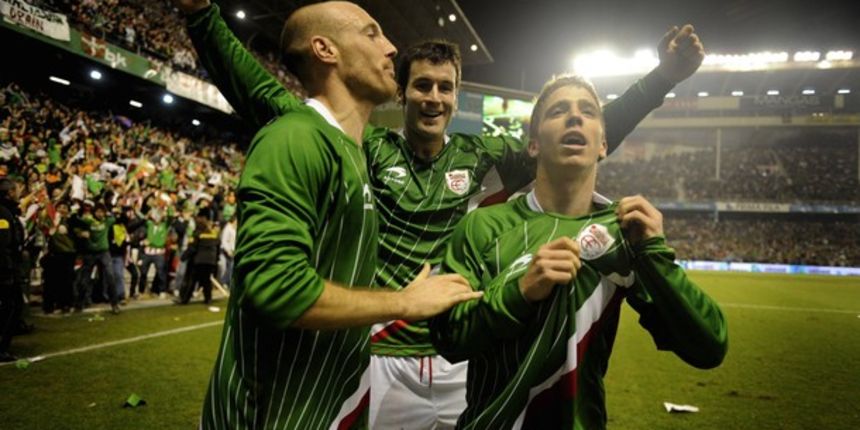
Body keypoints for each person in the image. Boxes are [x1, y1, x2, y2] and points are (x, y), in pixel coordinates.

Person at [176, 0, 706, 425]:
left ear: (457, 97)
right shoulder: (365, 149)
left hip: (458, 356)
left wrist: (659, 81)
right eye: (422, 86)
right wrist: (203, 18)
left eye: (445, 88)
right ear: (402, 93)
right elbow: (270, 98)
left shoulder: (482, 159)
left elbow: (577, 134)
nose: (434, 98)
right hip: (378, 354)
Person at [199, 3, 482, 429]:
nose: (391, 48)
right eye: (372, 34)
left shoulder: (352, 151)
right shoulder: (295, 137)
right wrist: (404, 302)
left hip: (328, 405)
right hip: (270, 416)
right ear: (325, 49)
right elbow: (275, 287)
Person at [429, 75, 728, 428]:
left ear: (603, 144)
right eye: (559, 111)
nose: (575, 117)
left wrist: (654, 255)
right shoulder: (483, 226)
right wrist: (520, 292)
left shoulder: (625, 235)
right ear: (534, 145)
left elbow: (708, 348)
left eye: (587, 111)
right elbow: (448, 339)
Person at [0, 178, 25, 362]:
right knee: (9, 307)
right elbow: (3, 245)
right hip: (5, 270)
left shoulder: (9, 212)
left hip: (9, 267)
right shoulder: (3, 214)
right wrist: (7, 271)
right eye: (17, 190)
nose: (19, 193)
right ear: (9, 193)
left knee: (13, 306)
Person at [178, 209, 219, 304]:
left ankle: (185, 299)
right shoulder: (213, 233)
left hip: (199, 260)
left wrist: (183, 257)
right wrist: (216, 260)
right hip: (210, 261)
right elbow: (218, 246)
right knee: (206, 281)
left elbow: (192, 248)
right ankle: (208, 299)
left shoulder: (197, 233)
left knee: (192, 280)